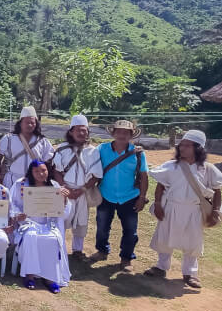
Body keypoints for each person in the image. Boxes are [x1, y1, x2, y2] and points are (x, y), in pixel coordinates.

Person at [144, 130, 222, 289]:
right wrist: (158, 204)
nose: (182, 148)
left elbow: (217, 191)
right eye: (182, 145)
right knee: (165, 238)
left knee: (192, 243)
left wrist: (215, 212)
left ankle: (190, 273)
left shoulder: (208, 169)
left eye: (187, 145)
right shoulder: (171, 166)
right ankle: (161, 267)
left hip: (194, 211)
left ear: (197, 148)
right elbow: (160, 186)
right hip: (171, 207)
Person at [90, 120, 149, 272]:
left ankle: (126, 258)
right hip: (105, 195)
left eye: (126, 132)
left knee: (130, 230)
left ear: (131, 135)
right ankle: (102, 250)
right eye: (119, 132)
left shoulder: (138, 153)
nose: (122, 135)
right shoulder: (102, 149)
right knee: (102, 226)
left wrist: (142, 197)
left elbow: (144, 176)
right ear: (114, 133)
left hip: (129, 197)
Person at [10, 160, 71, 293]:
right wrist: (18, 215)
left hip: (48, 224)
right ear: (31, 172)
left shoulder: (54, 186)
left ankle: (49, 278)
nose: (40, 174)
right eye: (36, 171)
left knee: (52, 239)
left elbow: (63, 213)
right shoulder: (21, 184)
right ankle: (29, 275)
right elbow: (12, 204)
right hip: (28, 223)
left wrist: (65, 199)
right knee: (31, 236)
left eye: (43, 170)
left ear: (48, 171)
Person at [52, 115, 103, 259]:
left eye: (84, 130)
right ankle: (58, 247)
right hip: (64, 191)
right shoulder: (62, 148)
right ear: (71, 132)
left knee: (81, 222)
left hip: (82, 191)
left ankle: (77, 250)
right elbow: (56, 170)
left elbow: (96, 175)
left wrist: (81, 190)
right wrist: (64, 188)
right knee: (60, 220)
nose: (82, 133)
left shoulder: (93, 151)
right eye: (78, 130)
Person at [0, 106, 55, 188]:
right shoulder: (9, 138)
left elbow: (48, 162)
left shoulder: (42, 141)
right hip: (12, 181)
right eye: (27, 122)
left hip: (35, 181)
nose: (30, 125)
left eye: (32, 122)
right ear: (20, 123)